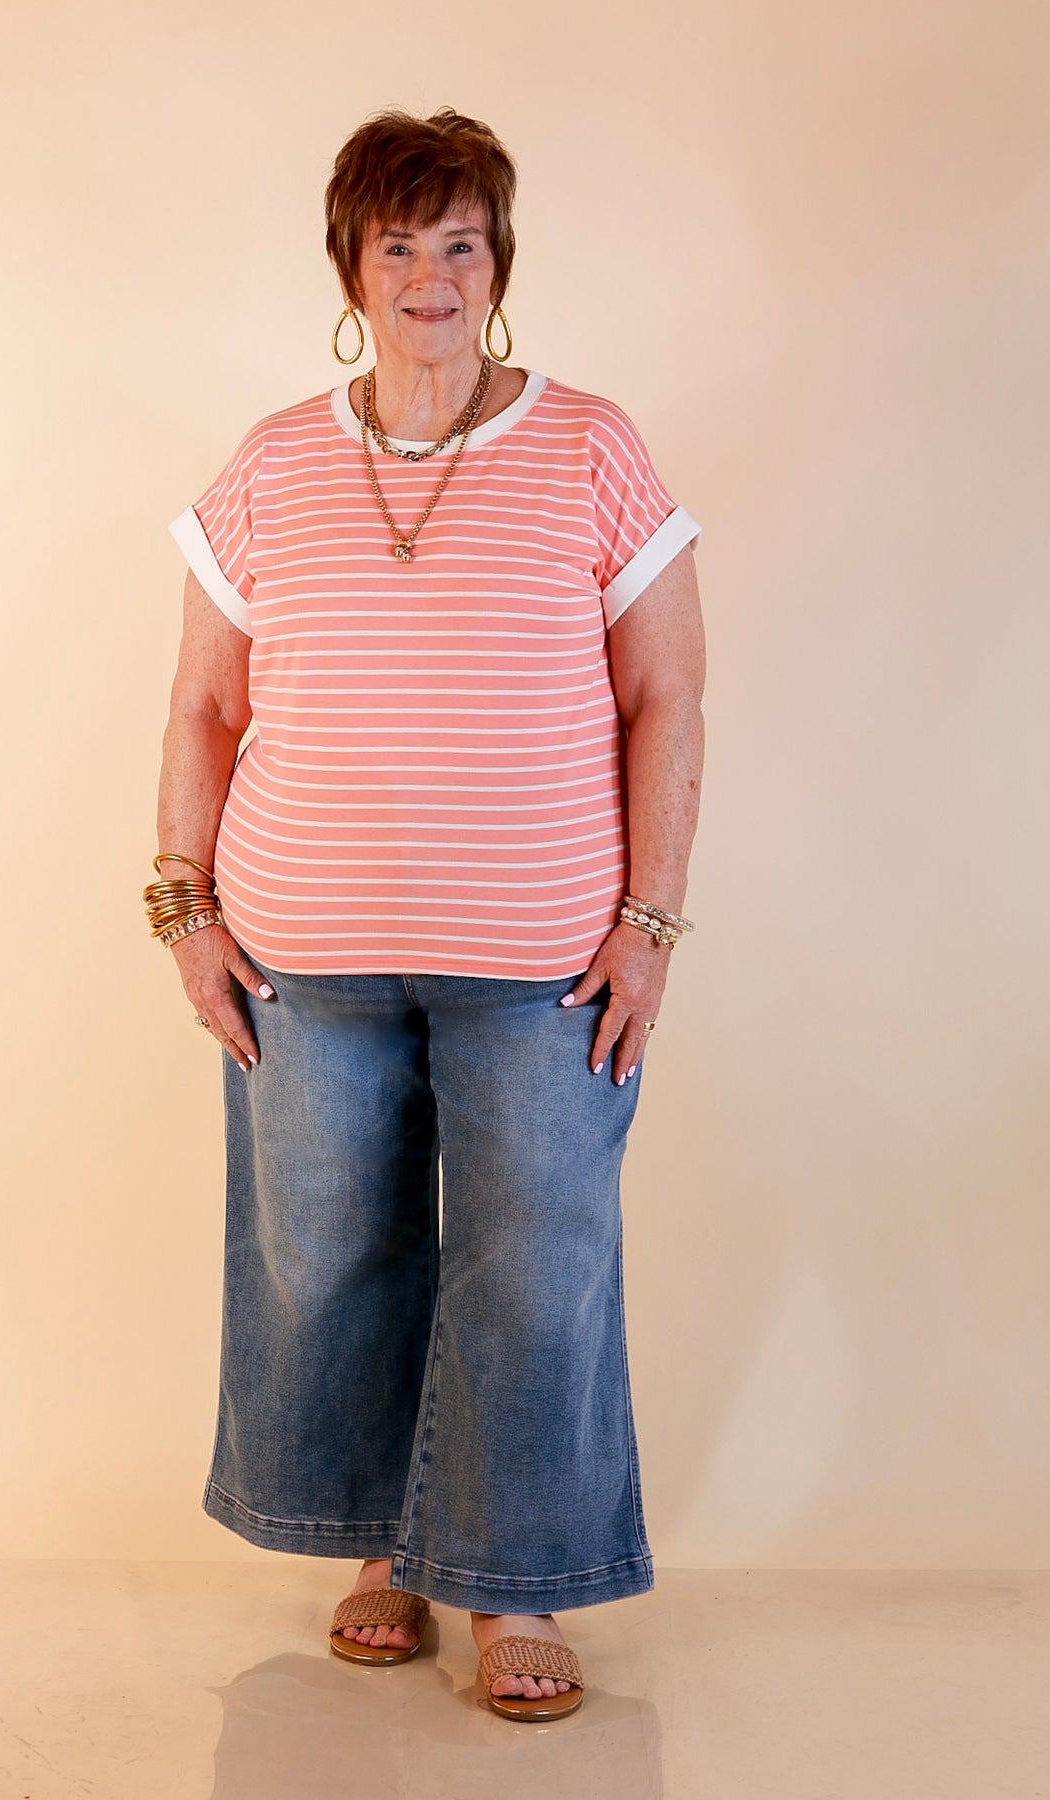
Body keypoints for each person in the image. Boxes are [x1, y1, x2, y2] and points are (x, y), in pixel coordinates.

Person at [149, 105, 705, 1724]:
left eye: (461, 241)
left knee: (534, 1264)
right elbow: (202, 706)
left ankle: (512, 1582)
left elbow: (667, 695)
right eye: (399, 244)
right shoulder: (272, 463)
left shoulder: (591, 448)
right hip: (304, 958)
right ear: (352, 266)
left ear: (498, 263)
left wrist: (651, 925)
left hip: (543, 962)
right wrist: (183, 908)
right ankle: (383, 1550)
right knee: (335, 1252)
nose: (430, 276)